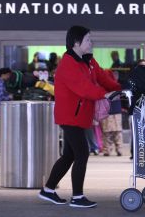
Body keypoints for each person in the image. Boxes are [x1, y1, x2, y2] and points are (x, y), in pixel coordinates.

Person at [38, 25, 121, 208]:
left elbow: (103, 79)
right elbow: (83, 88)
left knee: (69, 155)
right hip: (69, 117)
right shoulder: (68, 63)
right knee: (82, 153)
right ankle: (77, 197)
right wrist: (103, 94)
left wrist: (118, 88)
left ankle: (48, 189)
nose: (91, 43)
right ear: (76, 43)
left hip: (79, 116)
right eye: (88, 40)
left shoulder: (89, 62)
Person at [101, 70, 123, 157]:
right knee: (117, 132)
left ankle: (107, 150)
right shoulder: (116, 86)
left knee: (107, 132)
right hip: (116, 110)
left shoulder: (103, 86)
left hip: (107, 111)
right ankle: (119, 149)